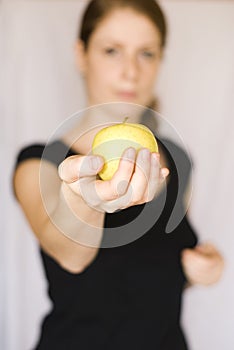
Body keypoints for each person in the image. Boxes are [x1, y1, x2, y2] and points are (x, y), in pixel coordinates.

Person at [13, 0, 224, 349]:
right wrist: (89, 202)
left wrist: (201, 268)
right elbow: (69, 254)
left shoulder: (176, 160)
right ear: (81, 55)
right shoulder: (39, 164)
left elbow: (156, 269)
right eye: (112, 51)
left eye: (147, 54)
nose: (131, 71)